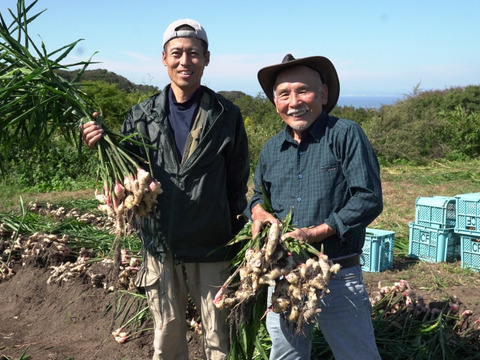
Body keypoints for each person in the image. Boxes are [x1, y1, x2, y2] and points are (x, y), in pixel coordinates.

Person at [81, 19, 249, 360]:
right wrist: (98, 142)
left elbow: (237, 181)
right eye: (177, 53)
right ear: (163, 59)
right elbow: (125, 178)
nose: (185, 61)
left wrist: (236, 232)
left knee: (218, 337)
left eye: (193, 53)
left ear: (206, 58)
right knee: (167, 336)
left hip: (212, 242)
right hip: (161, 243)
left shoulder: (225, 115)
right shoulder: (141, 116)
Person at [245, 54, 383, 360]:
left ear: (322, 94)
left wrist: (316, 232)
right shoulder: (271, 149)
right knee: (286, 355)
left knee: (356, 355)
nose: (294, 102)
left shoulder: (345, 134)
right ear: (275, 101)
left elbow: (368, 197)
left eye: (303, 91)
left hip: (336, 274)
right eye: (284, 94)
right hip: (284, 277)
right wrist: (257, 211)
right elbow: (257, 196)